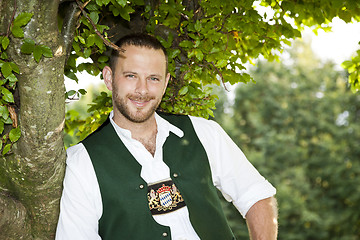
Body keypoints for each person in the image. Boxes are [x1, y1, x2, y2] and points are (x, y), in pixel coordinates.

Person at [55, 33, 278, 240]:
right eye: (131, 76)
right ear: (109, 78)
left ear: (166, 83)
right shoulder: (82, 161)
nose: (142, 90)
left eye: (153, 78)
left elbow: (256, 195)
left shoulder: (203, 132)